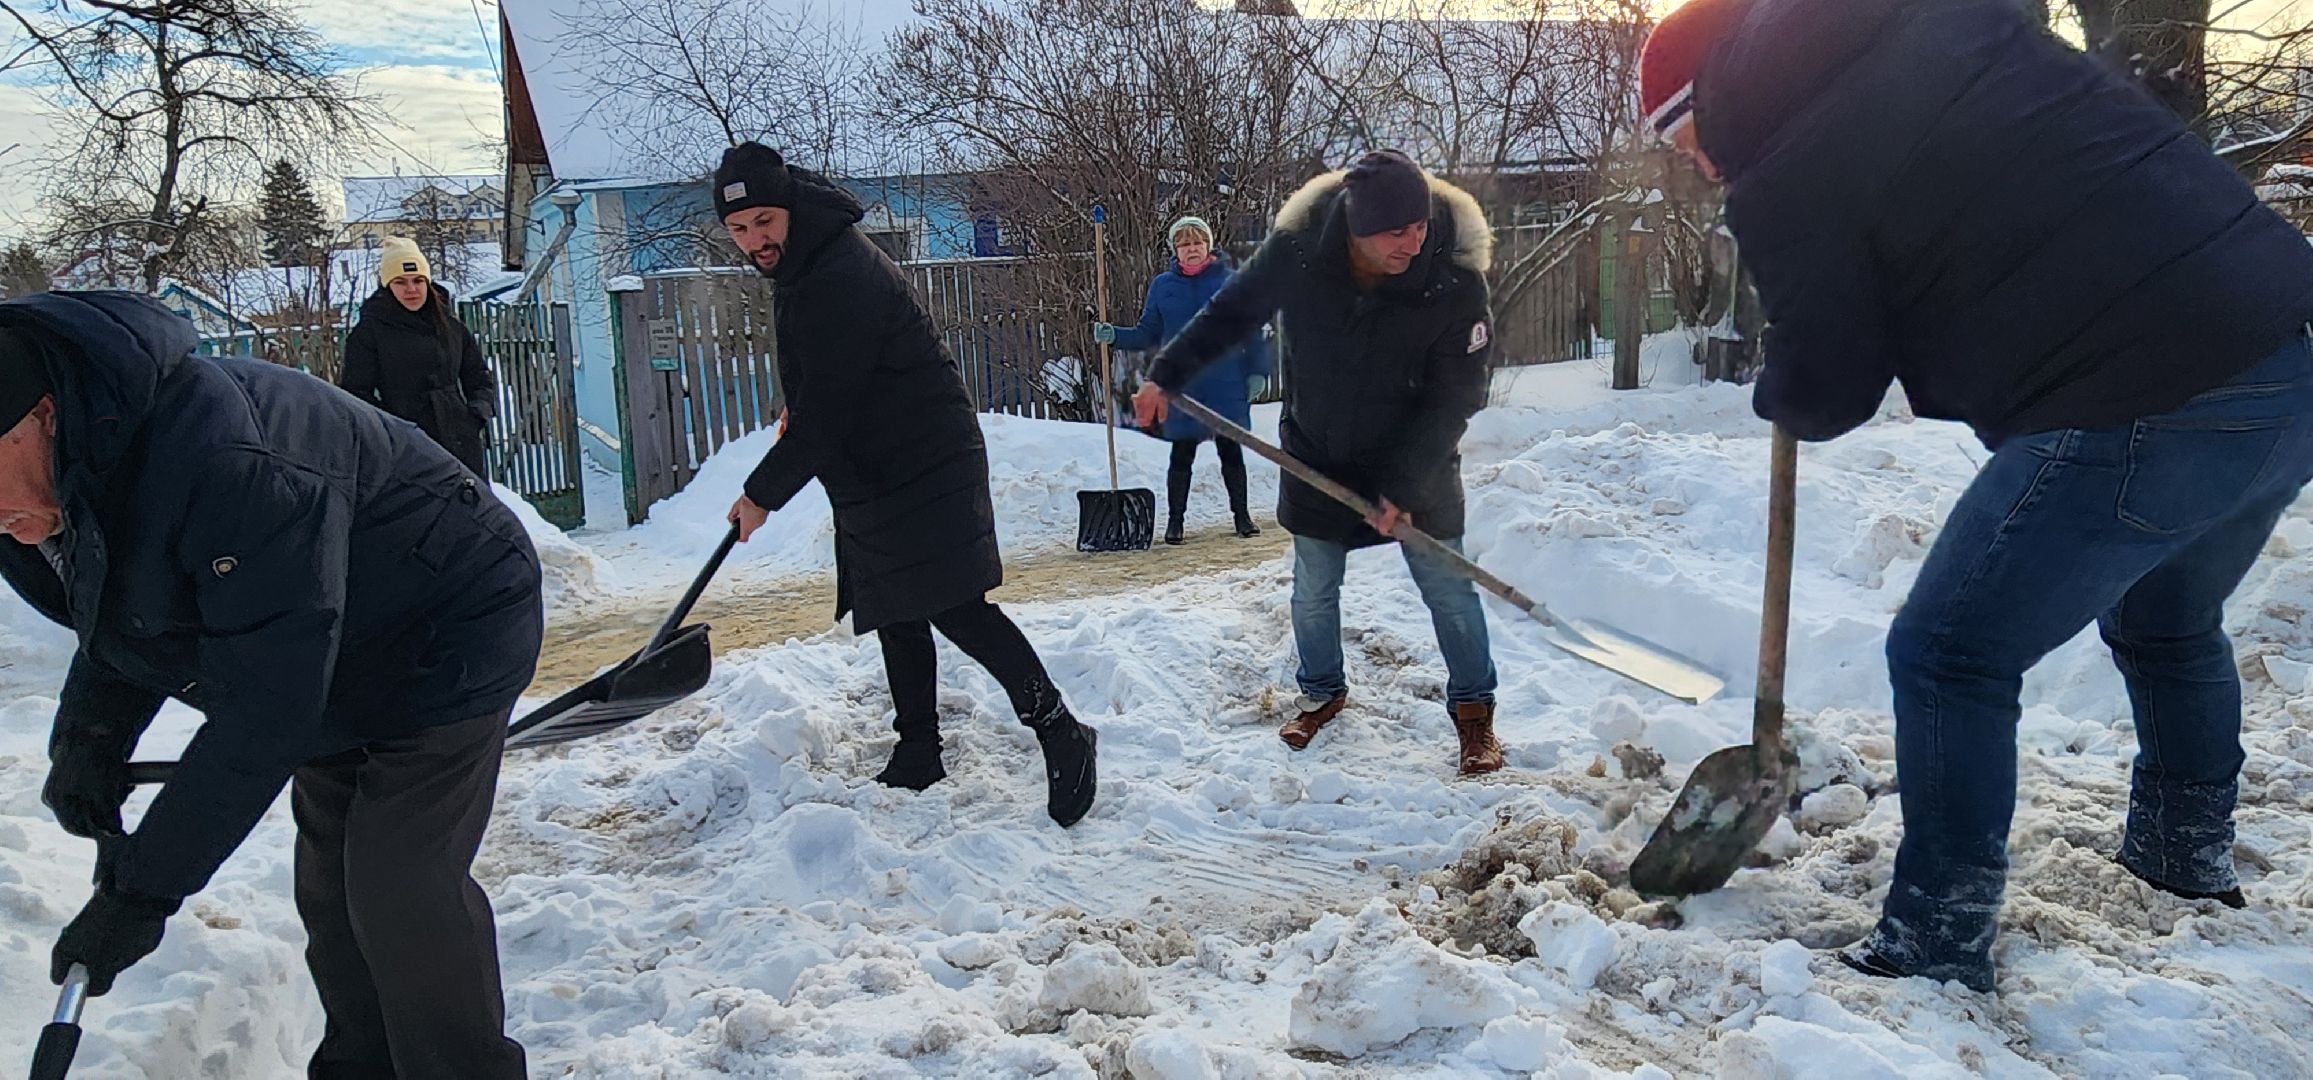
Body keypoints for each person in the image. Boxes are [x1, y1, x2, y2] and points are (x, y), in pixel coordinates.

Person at [1642, 0, 2313, 991]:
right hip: (2289, 355)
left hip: (2148, 389)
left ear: (1713, 91)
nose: (1697, 163)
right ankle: (2184, 852)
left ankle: (1936, 937)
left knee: (1949, 651)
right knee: (2167, 618)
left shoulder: (1786, 164)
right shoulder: (1951, 31)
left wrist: (1787, 376)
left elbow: (1830, 384)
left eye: (1680, 134)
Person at [1, 290, 541, 1077]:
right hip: (327, 636)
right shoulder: (67, 476)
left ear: (45, 414)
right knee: (330, 892)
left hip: (444, 620)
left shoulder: (226, 462)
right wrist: (91, 739)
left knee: (398, 886)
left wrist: (141, 895)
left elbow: (267, 710)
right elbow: (127, 615)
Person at [713, 142, 1099, 827]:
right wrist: (798, 406)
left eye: (764, 221)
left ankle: (1060, 728)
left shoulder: (835, 273)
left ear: (790, 208)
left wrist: (761, 495)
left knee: (954, 604)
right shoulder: (809, 260)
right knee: (891, 601)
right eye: (740, 229)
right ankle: (918, 748)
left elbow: (829, 411)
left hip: (920, 459)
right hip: (879, 459)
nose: (754, 240)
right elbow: (834, 377)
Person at [1132, 150, 1506, 776]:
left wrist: (1405, 485)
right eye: (1396, 231)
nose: (1413, 242)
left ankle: (1475, 713)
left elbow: (1458, 395)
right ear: (1357, 227)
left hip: (1417, 457)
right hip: (1319, 452)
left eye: (1420, 227)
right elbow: (1232, 311)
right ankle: (1323, 689)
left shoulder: (1453, 281)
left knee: (1449, 590)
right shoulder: (1301, 251)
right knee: (1313, 591)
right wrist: (1166, 376)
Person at [1094, 216, 1270, 544]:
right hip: (1182, 383)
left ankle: (1242, 517)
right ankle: (1175, 522)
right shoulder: (1163, 286)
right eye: (1185, 244)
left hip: (1224, 380)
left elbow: (1253, 331)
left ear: (1208, 245)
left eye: (1197, 242)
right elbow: (1148, 334)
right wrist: (1114, 336)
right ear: (1175, 249)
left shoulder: (1232, 281)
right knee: (1182, 454)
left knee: (1230, 450)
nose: (1192, 249)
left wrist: (1258, 371)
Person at [339, 236, 498, 479]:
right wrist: (395, 431)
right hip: (407, 449)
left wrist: (476, 414)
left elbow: (479, 377)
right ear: (388, 286)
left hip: (461, 442)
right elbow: (356, 394)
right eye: (400, 282)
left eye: (418, 280)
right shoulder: (369, 332)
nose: (411, 289)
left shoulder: (451, 327)